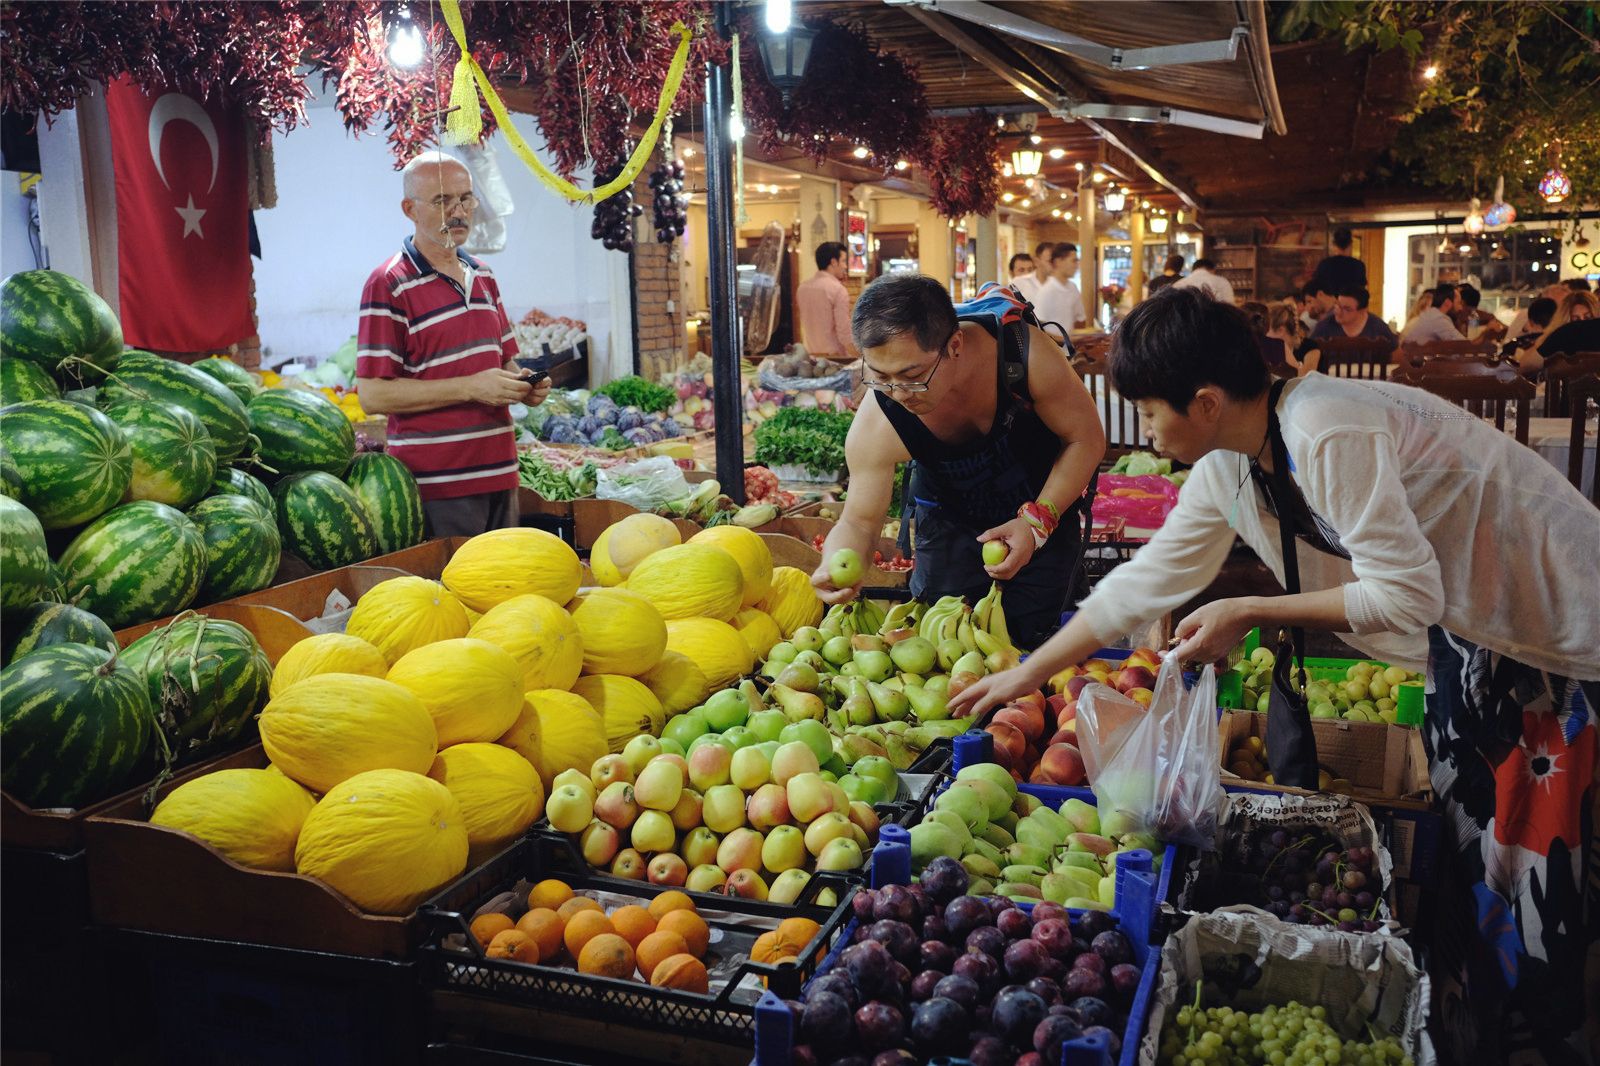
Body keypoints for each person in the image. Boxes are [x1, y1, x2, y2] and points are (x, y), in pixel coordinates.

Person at [950, 286, 1600, 1066]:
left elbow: (1408, 593)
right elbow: (1143, 584)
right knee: (1478, 849)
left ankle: (1544, 1035)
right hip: (1472, 636)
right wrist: (1025, 675)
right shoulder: (1230, 462)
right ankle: (1487, 1014)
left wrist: (1255, 608)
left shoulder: (1326, 430)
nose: (1147, 433)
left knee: (1531, 861)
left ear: (1206, 401)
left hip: (1544, 623)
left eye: (1153, 412)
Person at [810, 275, 1106, 650]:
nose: (898, 393)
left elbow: (1086, 438)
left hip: (1044, 512)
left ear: (955, 344)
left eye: (913, 375)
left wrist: (1036, 524)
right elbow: (859, 520)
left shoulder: (1023, 357)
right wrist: (835, 562)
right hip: (947, 530)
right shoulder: (880, 419)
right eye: (880, 377)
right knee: (944, 650)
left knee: (1045, 647)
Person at [356, 151, 547, 537]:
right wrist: (472, 387)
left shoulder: (484, 274)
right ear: (409, 208)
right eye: (442, 200)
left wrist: (523, 384)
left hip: (501, 471)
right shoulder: (389, 283)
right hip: (437, 485)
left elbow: (505, 360)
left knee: (506, 591)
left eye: (465, 198)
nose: (458, 211)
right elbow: (373, 395)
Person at [795, 241, 859, 360]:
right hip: (836, 359)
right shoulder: (838, 290)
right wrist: (860, 356)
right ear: (833, 262)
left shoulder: (802, 288)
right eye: (844, 261)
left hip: (812, 357)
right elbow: (844, 333)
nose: (845, 266)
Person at [1032, 242, 1087, 340]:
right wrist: (1065, 340)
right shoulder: (1047, 291)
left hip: (1071, 349)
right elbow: (1038, 329)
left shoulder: (1072, 287)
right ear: (1058, 261)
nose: (1077, 265)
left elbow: (1080, 320)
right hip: (1053, 350)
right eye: (1073, 261)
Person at [1309, 286, 1397, 344]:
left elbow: (1396, 358)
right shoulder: (1324, 327)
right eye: (1337, 305)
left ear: (1362, 311)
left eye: (1346, 309)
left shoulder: (1378, 327)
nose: (1338, 311)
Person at [1398, 282, 1465, 344]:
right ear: (1447, 302)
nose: (1461, 308)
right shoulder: (1438, 319)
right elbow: (1462, 345)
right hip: (1414, 356)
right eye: (1459, 303)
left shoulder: (1432, 314)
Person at [1308, 226, 1367, 296]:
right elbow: (1361, 291)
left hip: (1330, 304)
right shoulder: (1359, 265)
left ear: (1334, 243)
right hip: (1351, 305)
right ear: (1351, 243)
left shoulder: (1325, 264)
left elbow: (1316, 287)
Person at [1171, 257, 1235, 304]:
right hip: (1217, 321)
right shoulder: (1222, 282)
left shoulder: (1178, 284)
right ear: (1213, 270)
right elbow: (1230, 305)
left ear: (1193, 270)